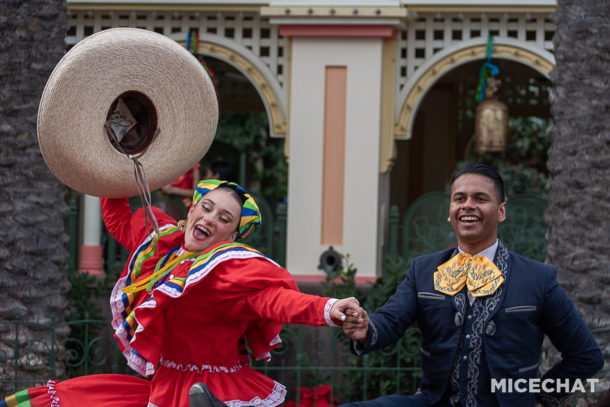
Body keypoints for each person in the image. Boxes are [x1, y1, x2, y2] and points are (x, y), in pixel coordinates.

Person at [3, 179, 360, 407]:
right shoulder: (163, 244)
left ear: (232, 235)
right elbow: (118, 219)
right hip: (163, 386)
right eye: (206, 207)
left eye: (224, 218)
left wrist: (331, 309)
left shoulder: (229, 268)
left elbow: (277, 301)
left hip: (217, 390)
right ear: (192, 209)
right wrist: (114, 161)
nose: (210, 219)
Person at [340, 163, 604, 407]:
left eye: (480, 198)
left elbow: (586, 355)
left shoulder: (538, 278)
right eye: (459, 199)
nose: (467, 205)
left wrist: (540, 396)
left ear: (501, 211)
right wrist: (366, 328)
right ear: (450, 212)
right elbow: (390, 320)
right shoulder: (423, 270)